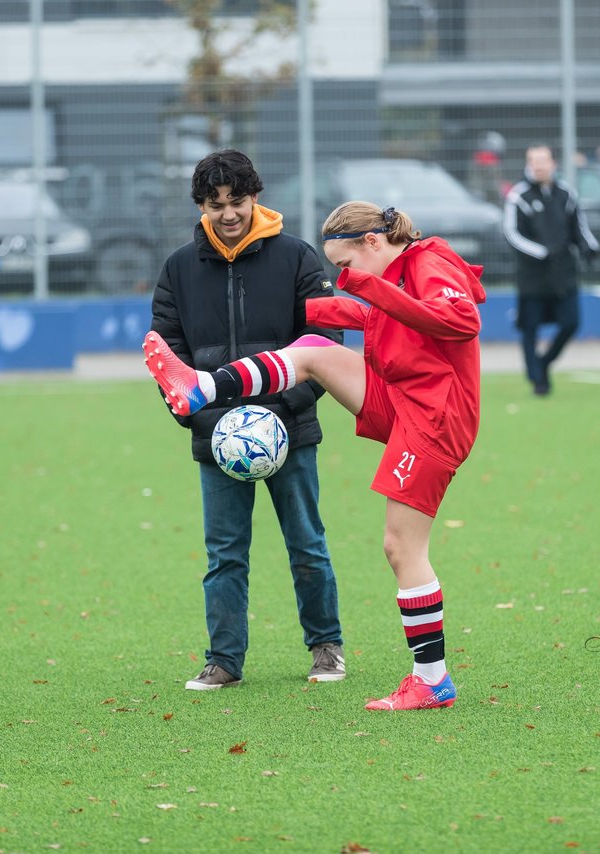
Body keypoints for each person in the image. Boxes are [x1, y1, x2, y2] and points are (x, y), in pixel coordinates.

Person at [145, 200, 486, 711]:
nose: (344, 275)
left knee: (402, 548)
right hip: (407, 400)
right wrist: (308, 307)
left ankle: (432, 680)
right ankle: (202, 388)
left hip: (436, 419)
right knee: (310, 350)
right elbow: (373, 315)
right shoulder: (397, 270)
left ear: (373, 242)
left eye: (345, 265)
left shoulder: (427, 262)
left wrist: (368, 288)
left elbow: (460, 320)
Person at [148, 149, 346, 692]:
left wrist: (277, 412)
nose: (228, 214)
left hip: (289, 432)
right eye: (216, 205)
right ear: (201, 206)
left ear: (255, 196)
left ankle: (326, 646)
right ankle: (224, 659)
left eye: (237, 201)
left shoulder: (298, 258)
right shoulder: (179, 268)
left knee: (306, 542)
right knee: (224, 553)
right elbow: (169, 355)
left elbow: (326, 345)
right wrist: (204, 419)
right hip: (216, 437)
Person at [502, 144, 599, 396]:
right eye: (533, 161)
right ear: (527, 164)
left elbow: (580, 228)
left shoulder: (566, 194)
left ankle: (544, 362)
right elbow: (512, 234)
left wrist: (589, 247)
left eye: (543, 160)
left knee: (571, 323)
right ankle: (537, 378)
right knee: (529, 328)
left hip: (563, 275)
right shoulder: (518, 197)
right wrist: (540, 252)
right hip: (532, 277)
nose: (538, 165)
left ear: (553, 164)